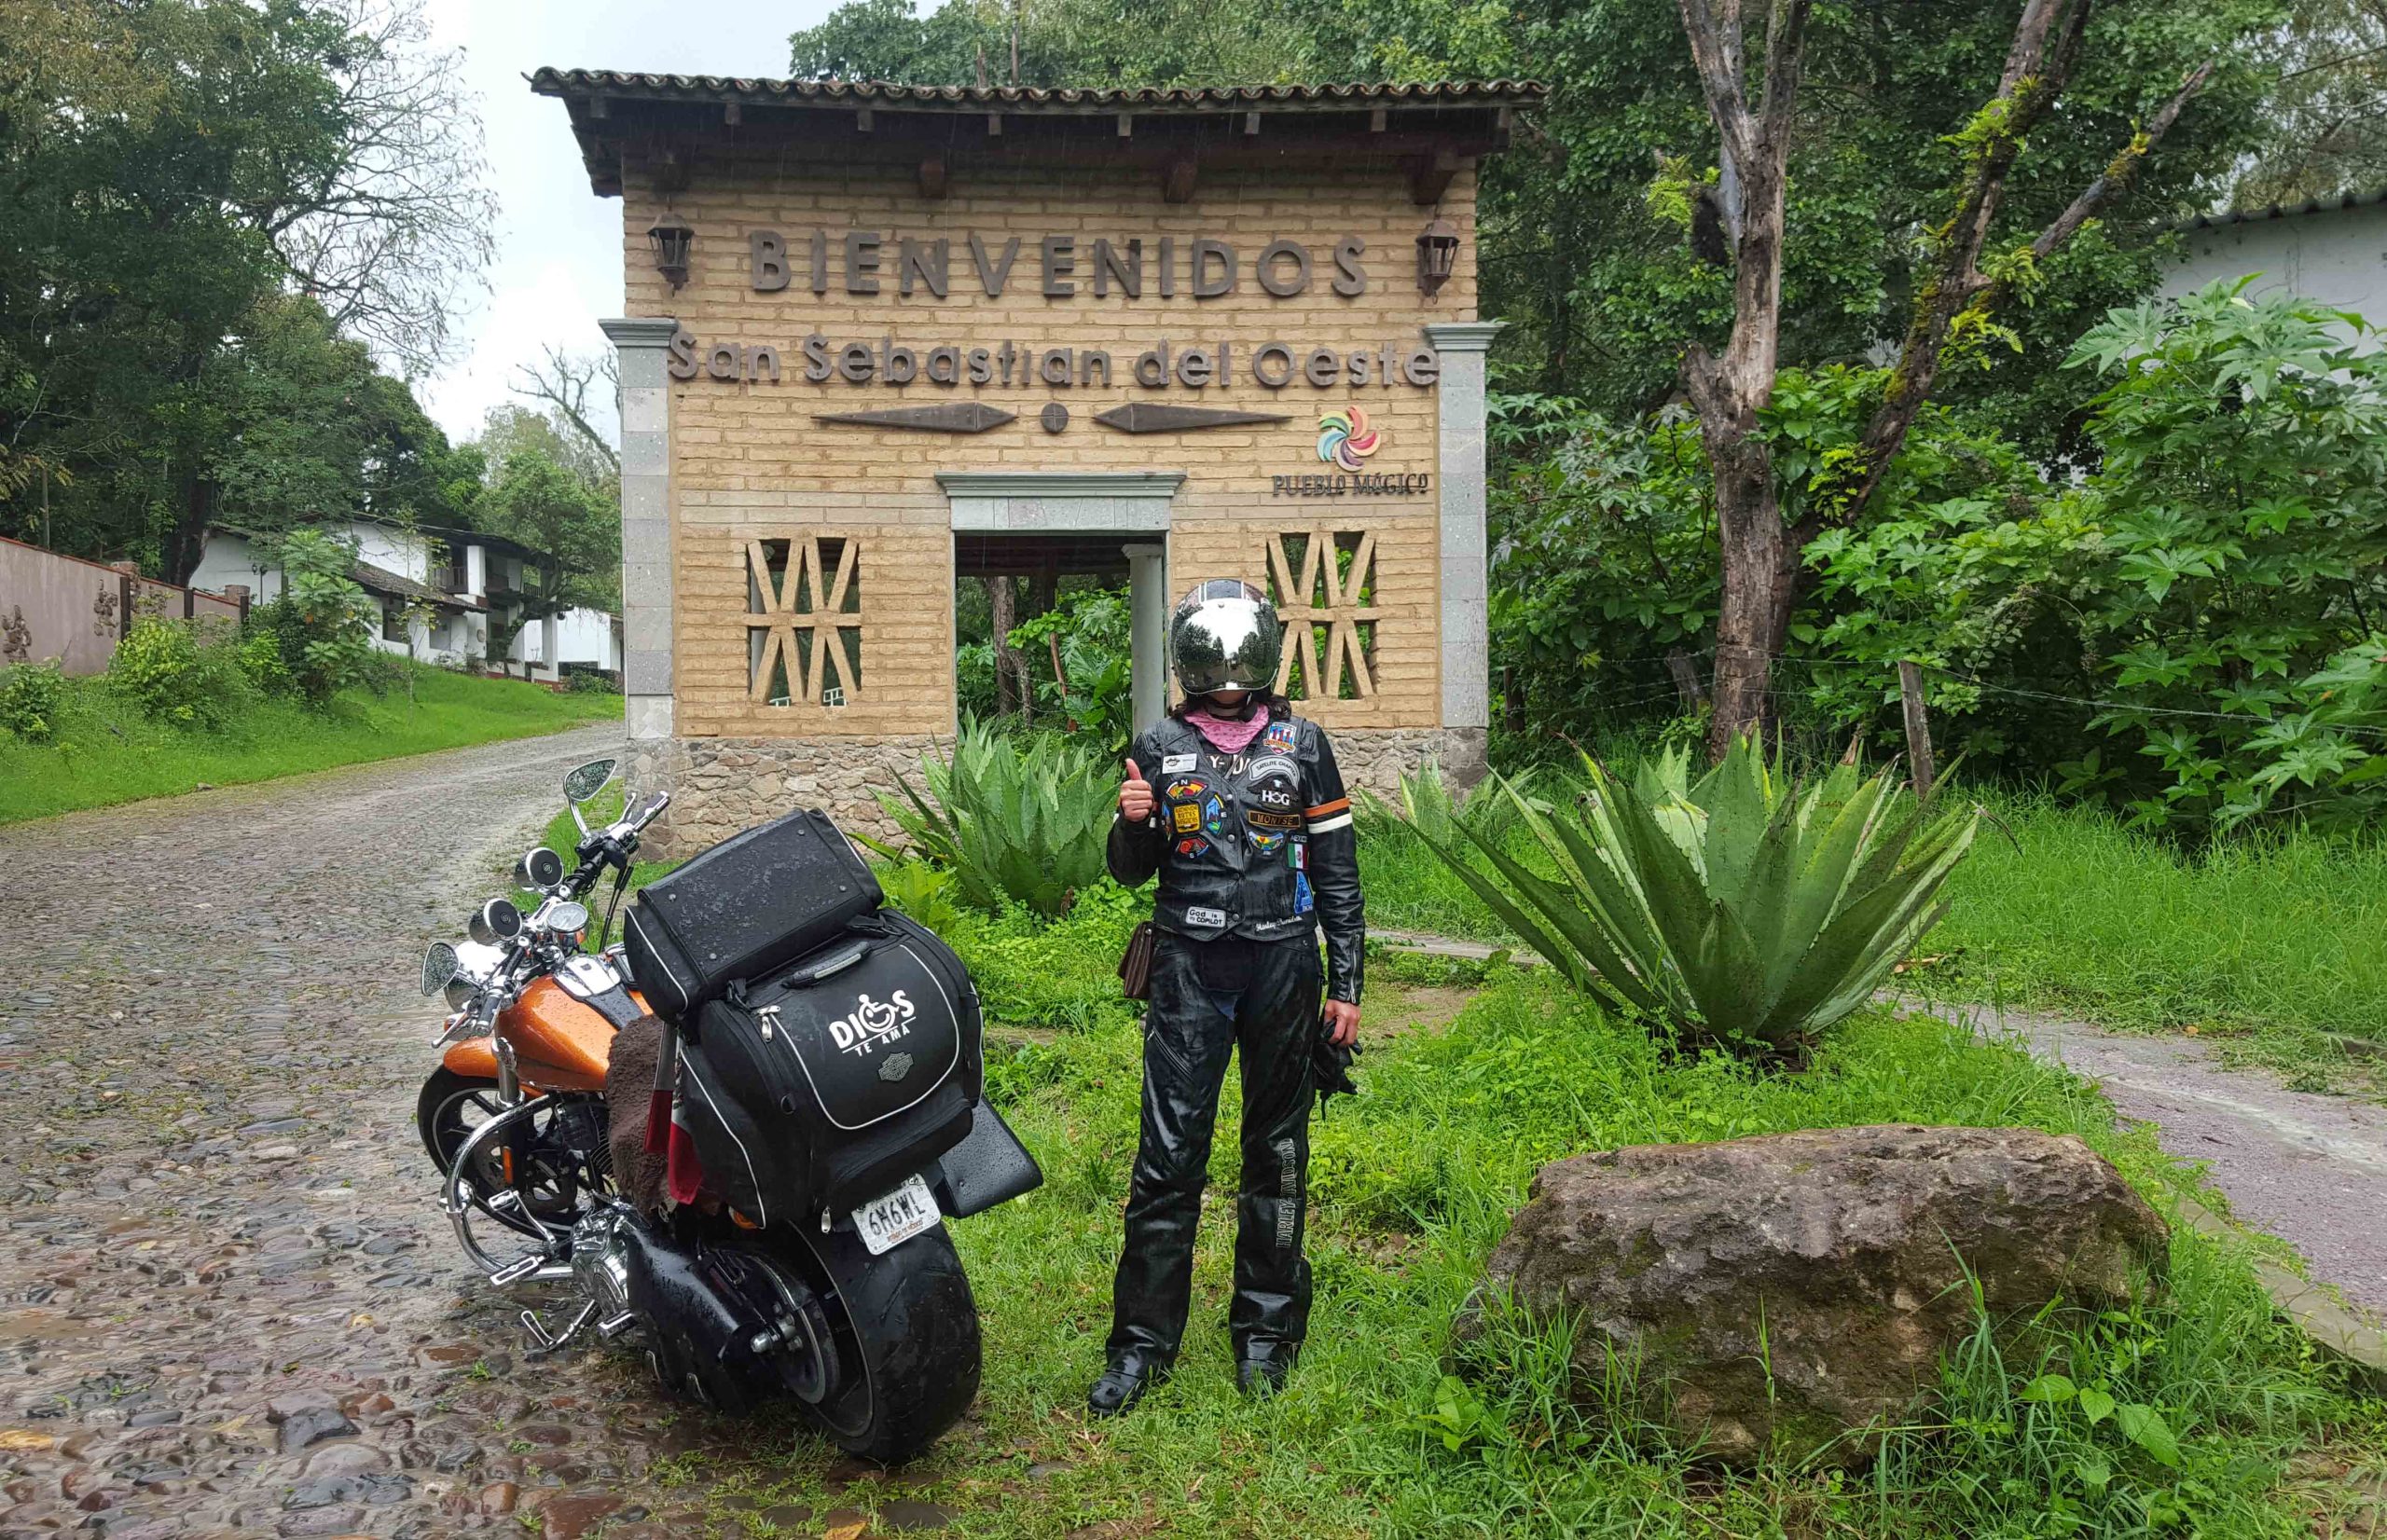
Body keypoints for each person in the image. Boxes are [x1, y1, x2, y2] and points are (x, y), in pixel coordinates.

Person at [1088, 578, 1365, 1415]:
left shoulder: (1305, 743)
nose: (1230, 674)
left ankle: (1267, 1335)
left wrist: (1347, 981)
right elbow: (1130, 870)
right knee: (1168, 1158)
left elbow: (1340, 874)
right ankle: (1140, 1348)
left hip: (1284, 965)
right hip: (1188, 971)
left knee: (1276, 1154)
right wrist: (1133, 820)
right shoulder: (1158, 743)